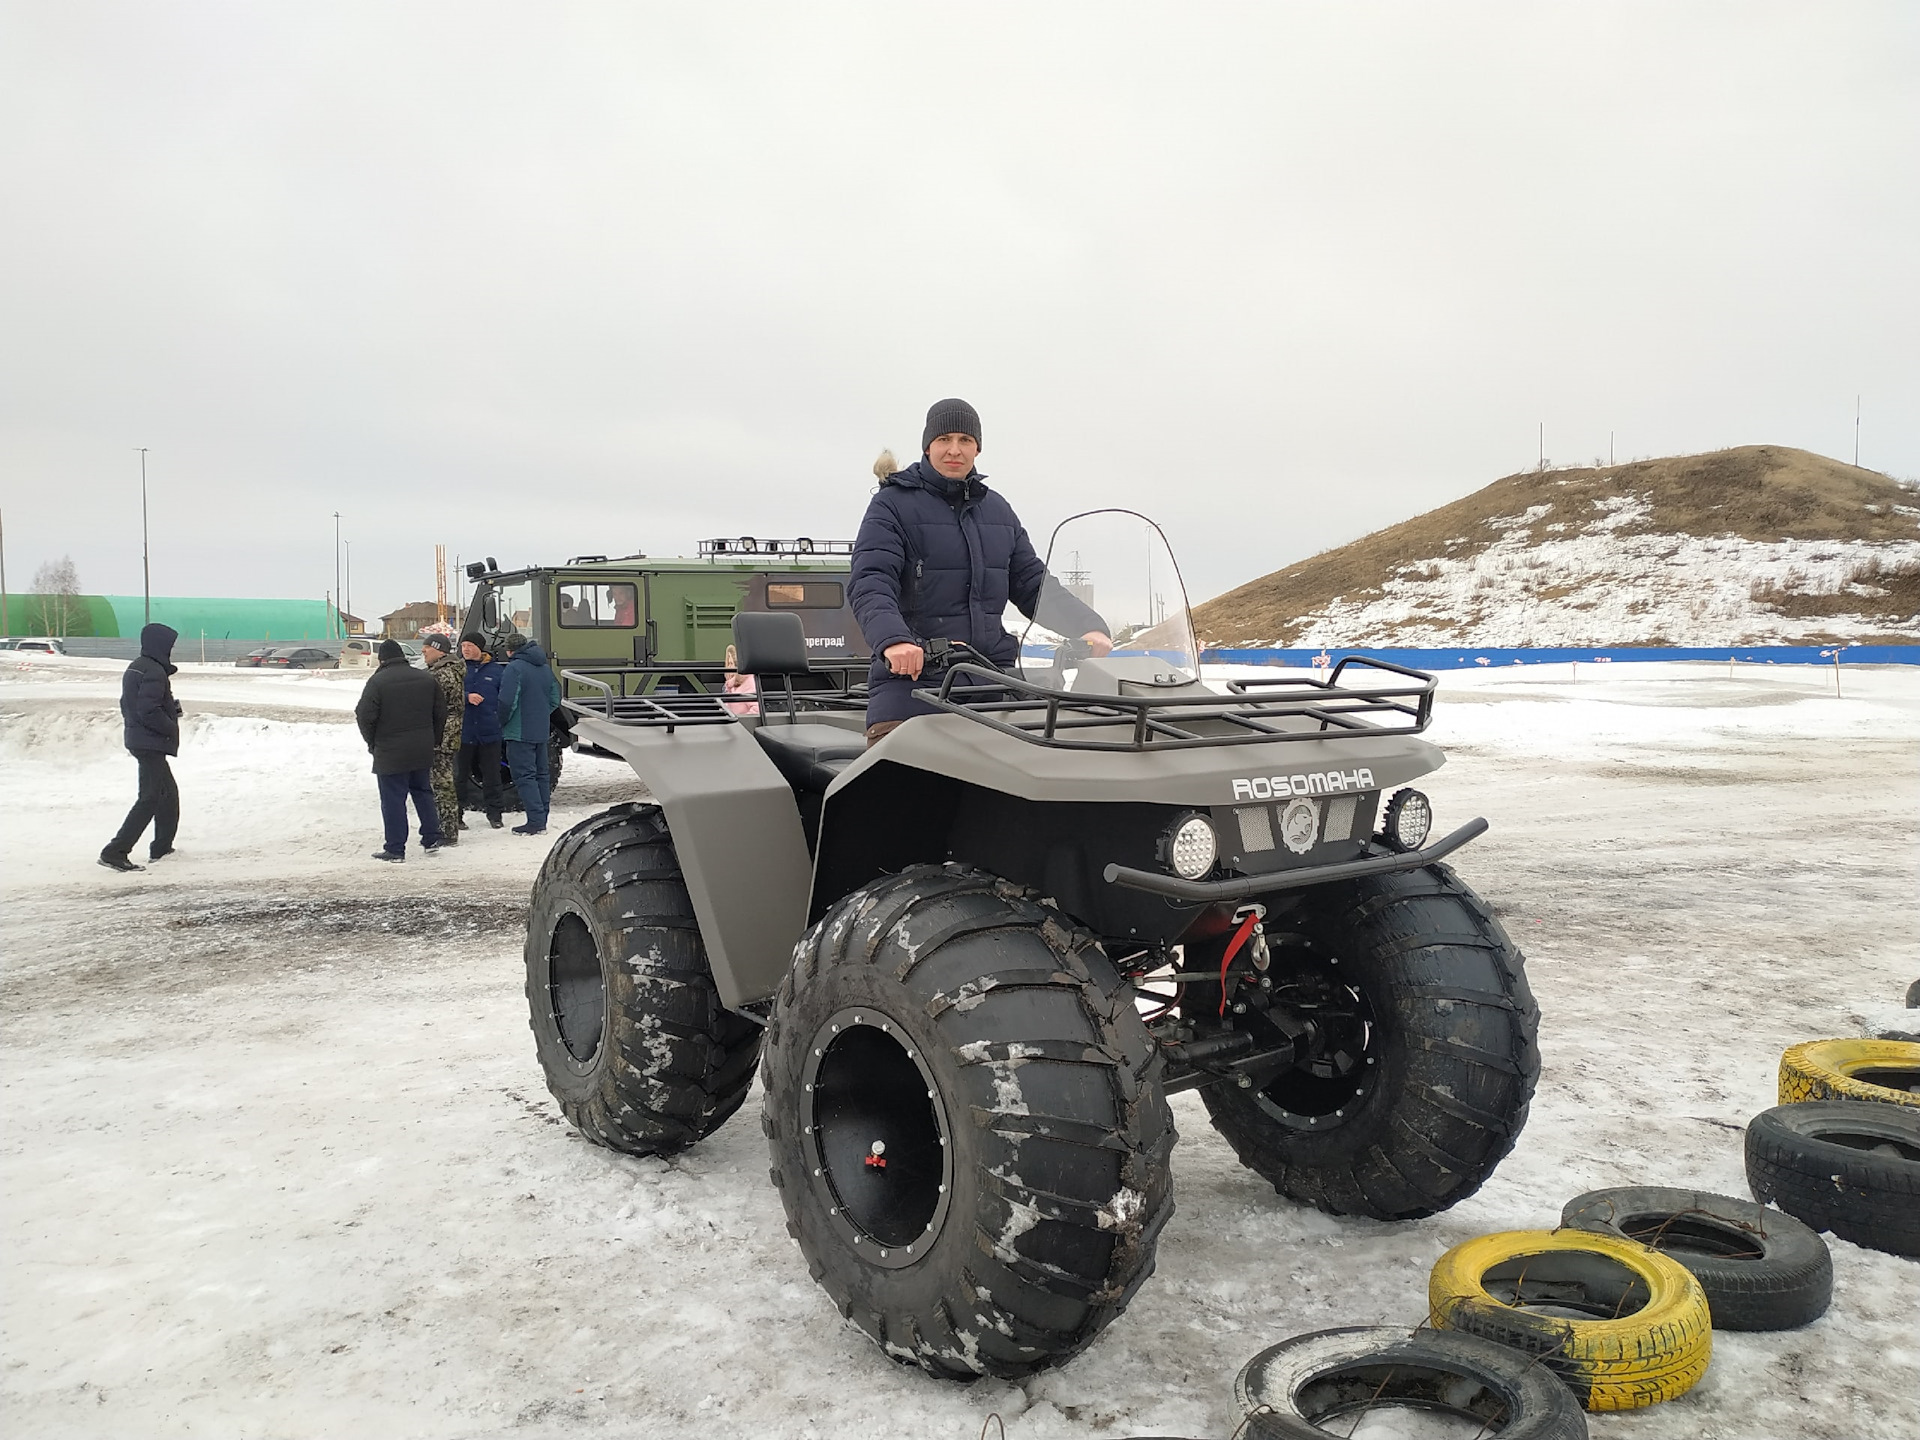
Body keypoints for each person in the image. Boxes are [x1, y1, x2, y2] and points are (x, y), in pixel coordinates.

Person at [848, 398, 1112, 743]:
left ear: (977, 448)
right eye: (944, 440)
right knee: (912, 787)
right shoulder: (892, 505)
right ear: (928, 447)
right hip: (915, 689)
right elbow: (871, 580)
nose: (954, 450)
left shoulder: (997, 510)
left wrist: (1088, 626)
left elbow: (1032, 583)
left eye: (965, 441)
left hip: (993, 688)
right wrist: (895, 641)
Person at [99, 622, 184, 872]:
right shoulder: (154, 671)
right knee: (149, 798)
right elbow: (148, 710)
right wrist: (170, 725)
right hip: (150, 742)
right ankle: (115, 851)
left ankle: (162, 848)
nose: (171, 649)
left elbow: (131, 704)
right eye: (170, 645)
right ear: (160, 645)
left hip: (141, 739)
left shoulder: (137, 667)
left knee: (167, 796)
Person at [355, 638, 449, 861]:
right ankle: (431, 837)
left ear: (382, 658)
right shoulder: (426, 678)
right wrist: (433, 739)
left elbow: (364, 715)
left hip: (390, 750)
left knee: (393, 800)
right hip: (422, 747)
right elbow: (441, 712)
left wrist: (373, 743)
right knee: (424, 792)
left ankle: (395, 848)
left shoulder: (377, 682)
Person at [498, 632, 560, 835]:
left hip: (519, 731)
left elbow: (507, 702)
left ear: (510, 650)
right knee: (542, 775)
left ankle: (534, 821)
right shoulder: (544, 667)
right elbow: (555, 698)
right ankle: (541, 818)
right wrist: (540, 714)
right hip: (540, 729)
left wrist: (502, 722)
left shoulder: (514, 668)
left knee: (525, 776)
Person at [457, 633, 506, 829]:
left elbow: (506, 697)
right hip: (463, 732)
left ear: (480, 647)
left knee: (493, 775)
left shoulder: (496, 670)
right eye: (463, 646)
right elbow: (446, 693)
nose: (465, 649)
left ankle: (495, 815)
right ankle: (457, 815)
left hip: (489, 731)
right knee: (459, 776)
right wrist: (466, 696)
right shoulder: (457, 669)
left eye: (469, 645)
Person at [421, 633, 465, 843]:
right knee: (443, 782)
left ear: (438, 650)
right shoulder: (449, 670)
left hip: (442, 735)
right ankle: (448, 827)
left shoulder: (442, 675)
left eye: (426, 649)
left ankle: (447, 831)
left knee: (441, 783)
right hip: (447, 733)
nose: (423, 654)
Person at [722, 642, 759, 717]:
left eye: (731, 663)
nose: (729, 667)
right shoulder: (729, 685)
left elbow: (756, 709)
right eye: (728, 663)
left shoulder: (749, 682)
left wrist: (742, 721)